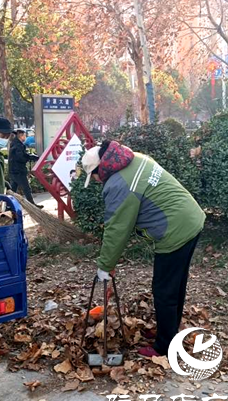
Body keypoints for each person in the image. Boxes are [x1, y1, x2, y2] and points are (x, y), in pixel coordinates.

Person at [80, 140, 205, 358]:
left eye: (95, 176)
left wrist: (105, 266)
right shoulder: (134, 158)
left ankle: (164, 347)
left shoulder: (118, 184)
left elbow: (116, 229)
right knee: (175, 284)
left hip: (175, 229)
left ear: (102, 168)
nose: (98, 181)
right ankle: (169, 332)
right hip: (191, 218)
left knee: (164, 290)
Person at [8, 129, 41, 207]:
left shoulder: (14, 143)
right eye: (25, 135)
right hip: (19, 171)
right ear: (21, 136)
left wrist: (31, 156)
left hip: (13, 170)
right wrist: (30, 158)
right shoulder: (18, 145)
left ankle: (8, 205)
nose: (25, 137)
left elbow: (21, 155)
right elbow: (21, 158)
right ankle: (32, 205)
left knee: (13, 189)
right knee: (26, 188)